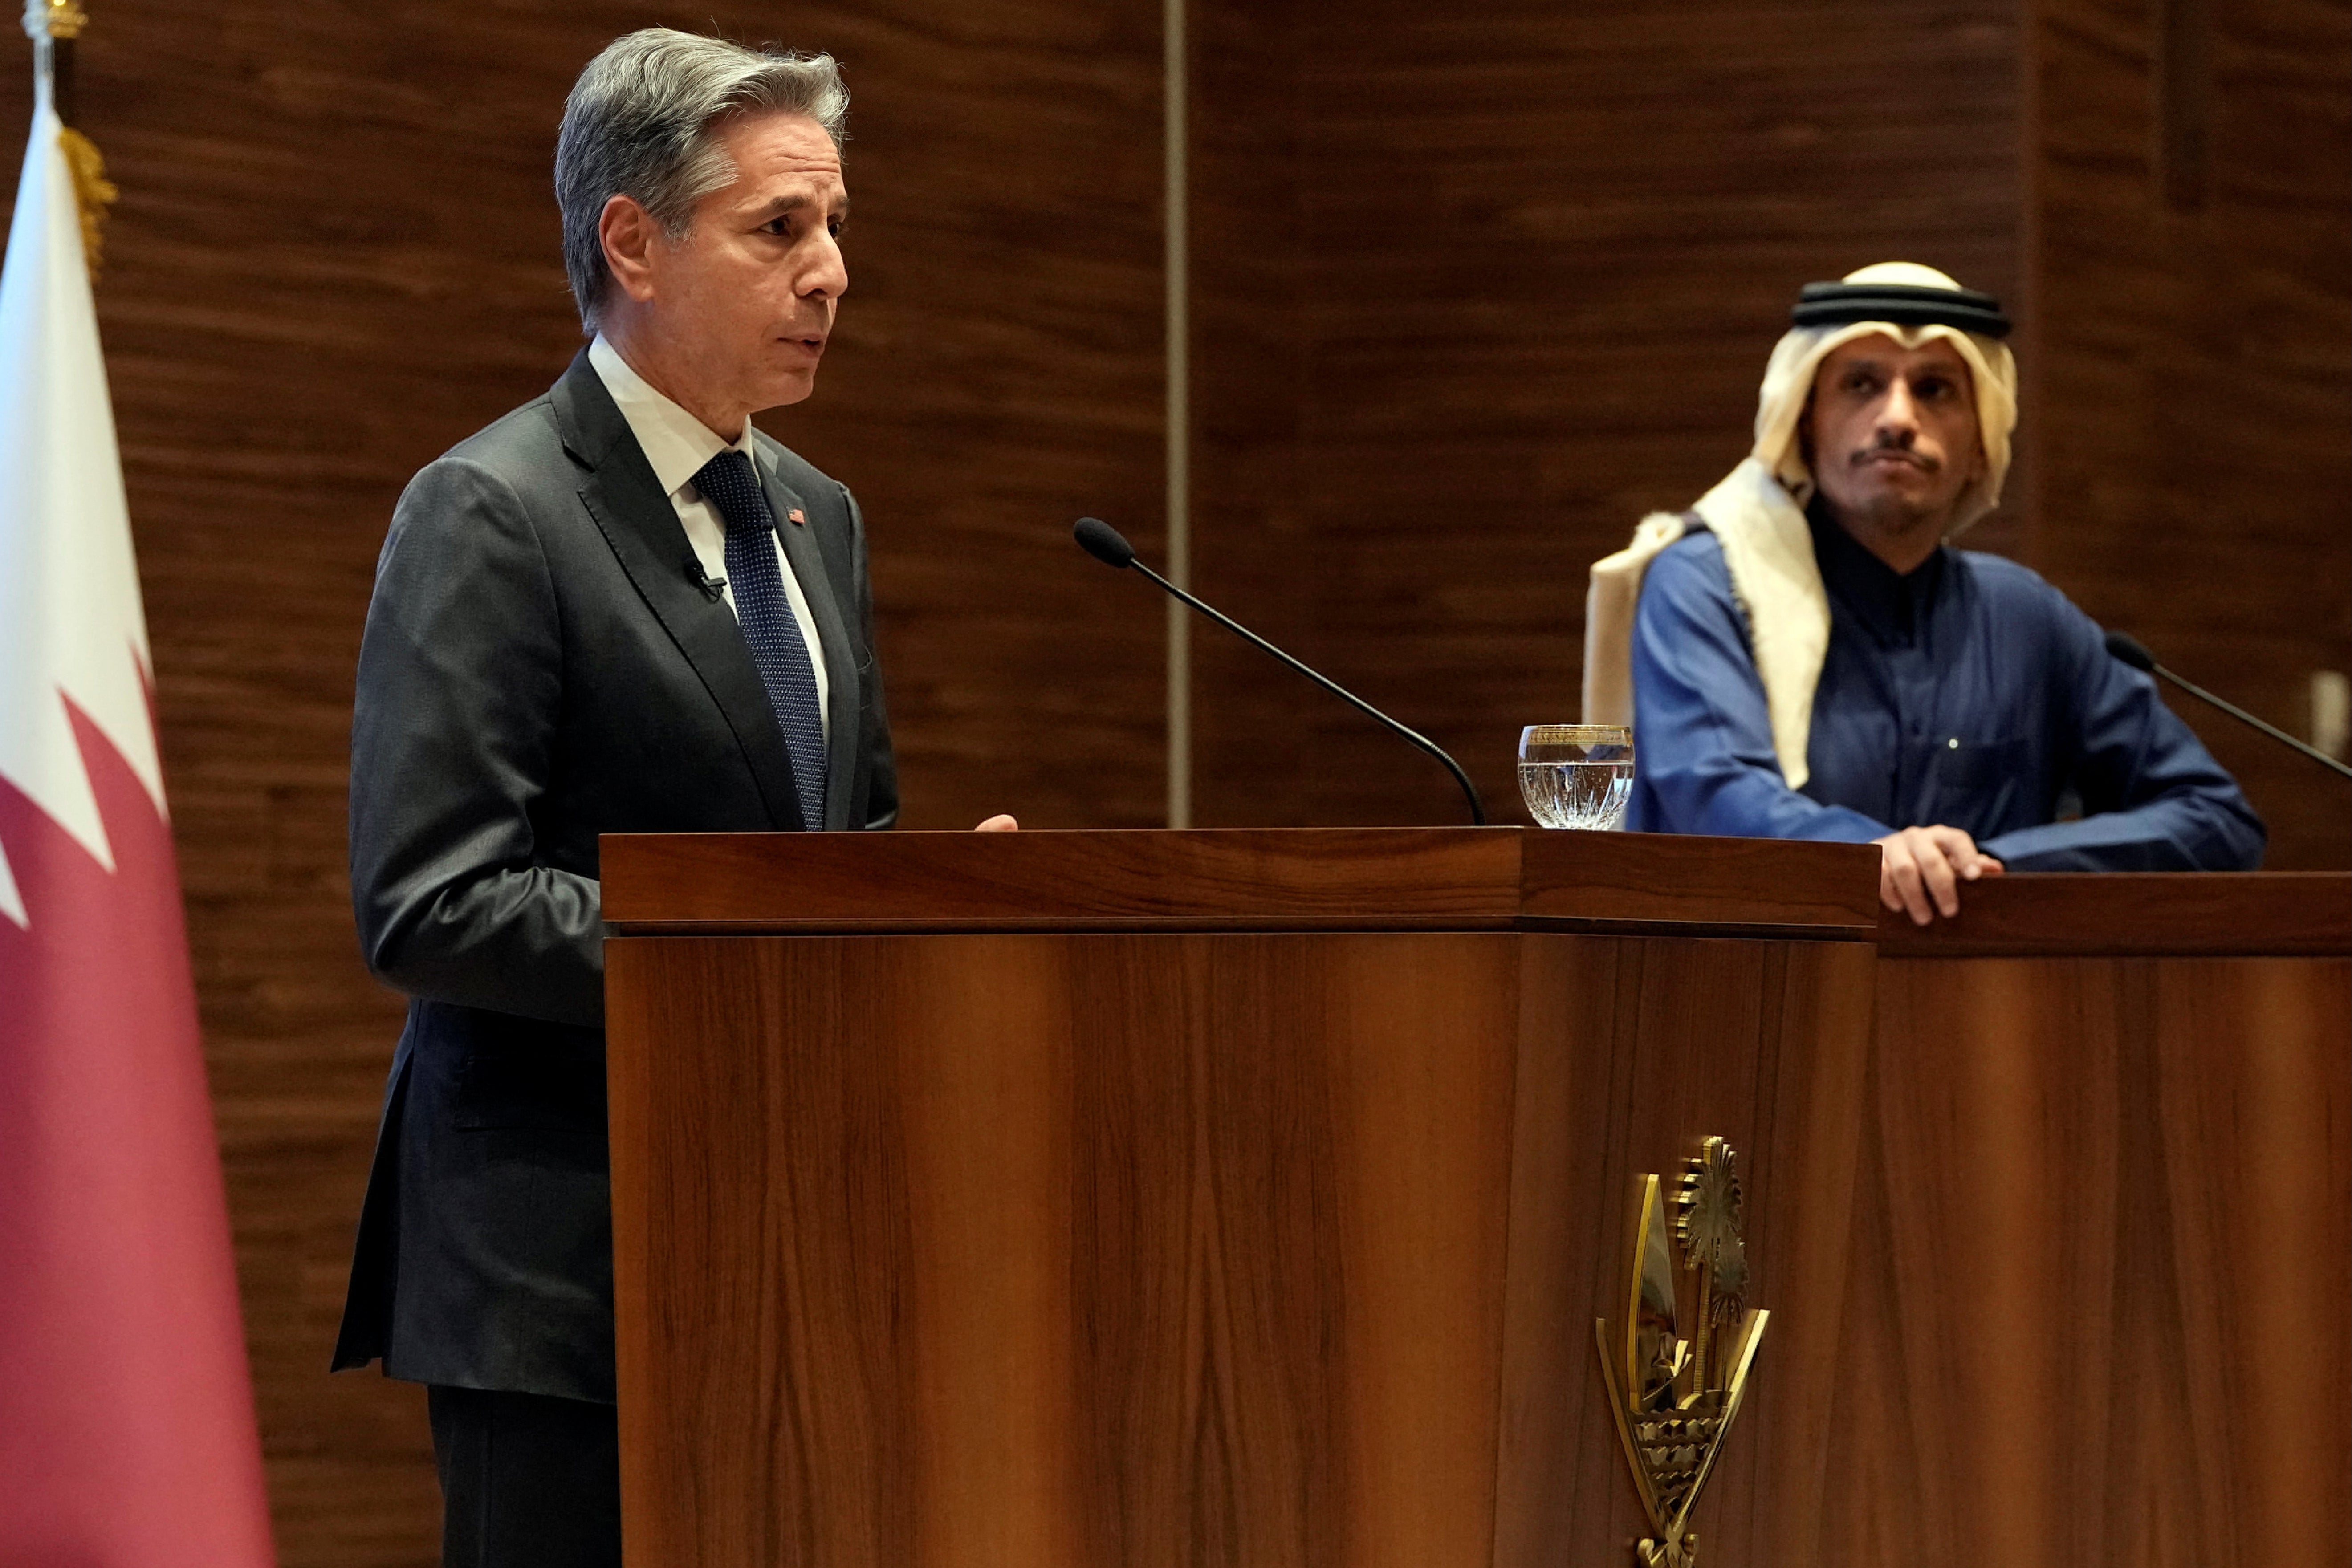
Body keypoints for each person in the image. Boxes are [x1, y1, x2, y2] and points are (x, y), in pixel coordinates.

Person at [332, 30, 1009, 1567]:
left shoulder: (813, 515)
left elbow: (846, 853)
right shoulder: (494, 509)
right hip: (562, 1280)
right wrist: (757, 944)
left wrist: (936, 906)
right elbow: (432, 896)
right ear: (631, 241)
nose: (832, 271)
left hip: (791, 1249)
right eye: (780, 229)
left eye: (834, 227)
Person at [1582, 263, 2262, 923]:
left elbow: (2213, 817)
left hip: (1986, 1018)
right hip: (1755, 1004)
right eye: (1860, 384)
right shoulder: (1709, 583)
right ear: (1805, 423)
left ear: (1979, 448)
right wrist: (1864, 854)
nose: (1896, 418)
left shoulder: (2024, 618)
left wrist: (1993, 864)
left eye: (1934, 389)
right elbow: (1713, 795)